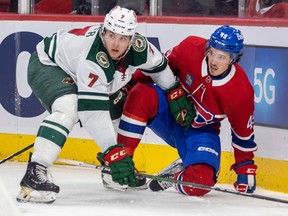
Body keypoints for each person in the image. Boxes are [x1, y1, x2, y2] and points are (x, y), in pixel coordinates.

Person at [17, 6, 194, 203]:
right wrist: (112, 151)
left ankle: (111, 173)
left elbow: (159, 67)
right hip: (50, 64)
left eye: (123, 38)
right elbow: (93, 113)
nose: (116, 44)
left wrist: (173, 90)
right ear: (104, 32)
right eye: (111, 35)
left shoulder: (139, 47)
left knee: (119, 105)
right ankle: (36, 170)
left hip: (79, 70)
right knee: (70, 106)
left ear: (132, 38)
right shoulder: (92, 58)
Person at [100, 25, 258, 196]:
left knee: (200, 183)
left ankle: (178, 174)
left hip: (200, 133)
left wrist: (245, 169)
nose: (213, 61)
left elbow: (243, 134)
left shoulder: (241, 92)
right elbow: (158, 69)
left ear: (233, 58)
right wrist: (126, 88)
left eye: (221, 57)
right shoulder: (190, 48)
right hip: (168, 112)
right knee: (140, 94)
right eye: (211, 52)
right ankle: (120, 163)